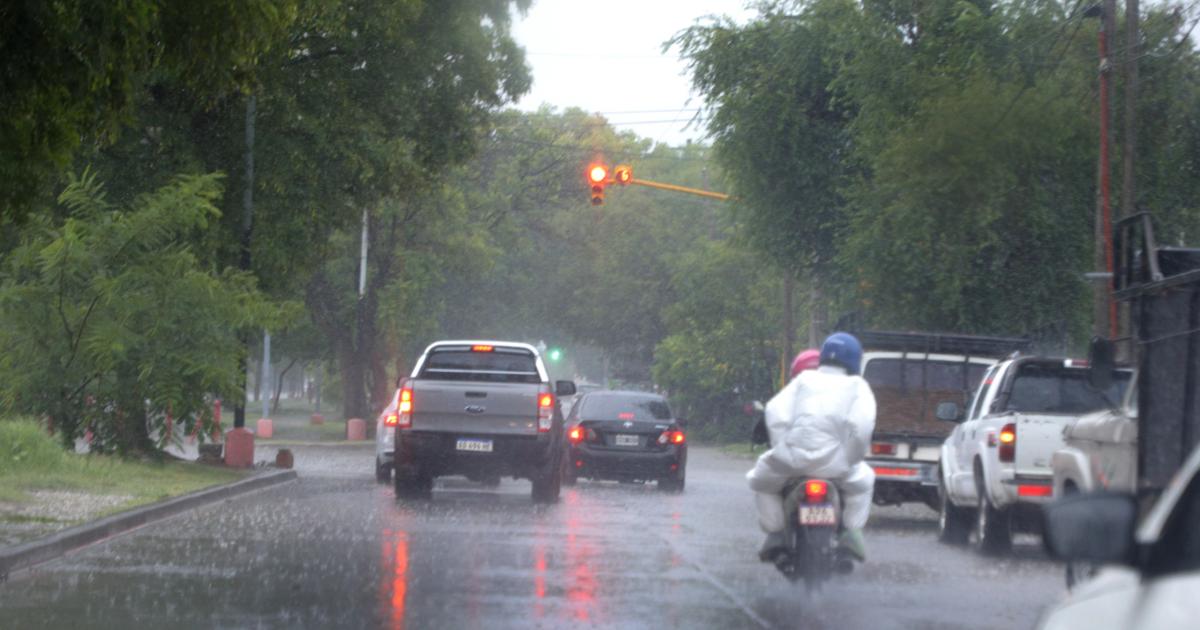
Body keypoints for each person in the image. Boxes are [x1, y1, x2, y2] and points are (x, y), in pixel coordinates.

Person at [747, 332, 877, 562]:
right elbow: (862, 426)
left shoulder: (803, 380)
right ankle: (852, 533)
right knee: (864, 483)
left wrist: (783, 447)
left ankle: (775, 533)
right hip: (837, 467)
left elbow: (775, 413)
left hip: (792, 463)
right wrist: (851, 459)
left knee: (761, 482)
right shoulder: (858, 386)